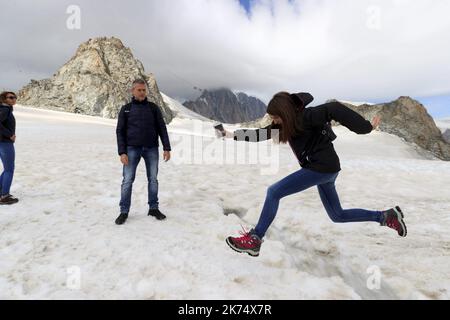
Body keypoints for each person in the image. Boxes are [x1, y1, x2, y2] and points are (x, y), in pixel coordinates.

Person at [223, 92, 407, 257]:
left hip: (321, 168)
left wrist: (365, 128)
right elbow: (260, 135)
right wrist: (229, 134)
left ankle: (255, 239)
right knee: (337, 215)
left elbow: (333, 108)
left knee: (274, 192)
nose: (274, 120)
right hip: (327, 169)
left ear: (285, 112)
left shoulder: (306, 116)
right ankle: (386, 216)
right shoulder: (285, 124)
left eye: (276, 117)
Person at [115, 79, 172, 225]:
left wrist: (167, 148)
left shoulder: (153, 108)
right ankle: (124, 211)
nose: (142, 92)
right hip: (131, 149)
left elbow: (161, 128)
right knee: (127, 180)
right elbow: (120, 131)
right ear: (132, 91)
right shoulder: (126, 109)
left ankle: (153, 208)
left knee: (153, 179)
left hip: (151, 148)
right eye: (139, 90)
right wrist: (122, 152)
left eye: (144, 90)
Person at [0, 91, 19, 205]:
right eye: (10, 97)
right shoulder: (5, 109)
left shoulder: (5, 109)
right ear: (4, 99)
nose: (13, 99)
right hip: (5, 143)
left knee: (7, 168)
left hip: (2, 142)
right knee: (9, 169)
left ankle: (1, 191)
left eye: (15, 97)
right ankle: (4, 196)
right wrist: (9, 135)